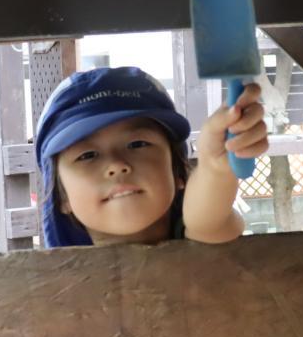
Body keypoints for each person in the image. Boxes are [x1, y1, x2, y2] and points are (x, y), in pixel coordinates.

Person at [35, 66, 268, 247]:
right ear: (62, 197)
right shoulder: (53, 283)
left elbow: (207, 222)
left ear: (177, 172)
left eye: (137, 144)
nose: (116, 165)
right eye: (87, 155)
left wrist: (215, 165)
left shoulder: (204, 229)